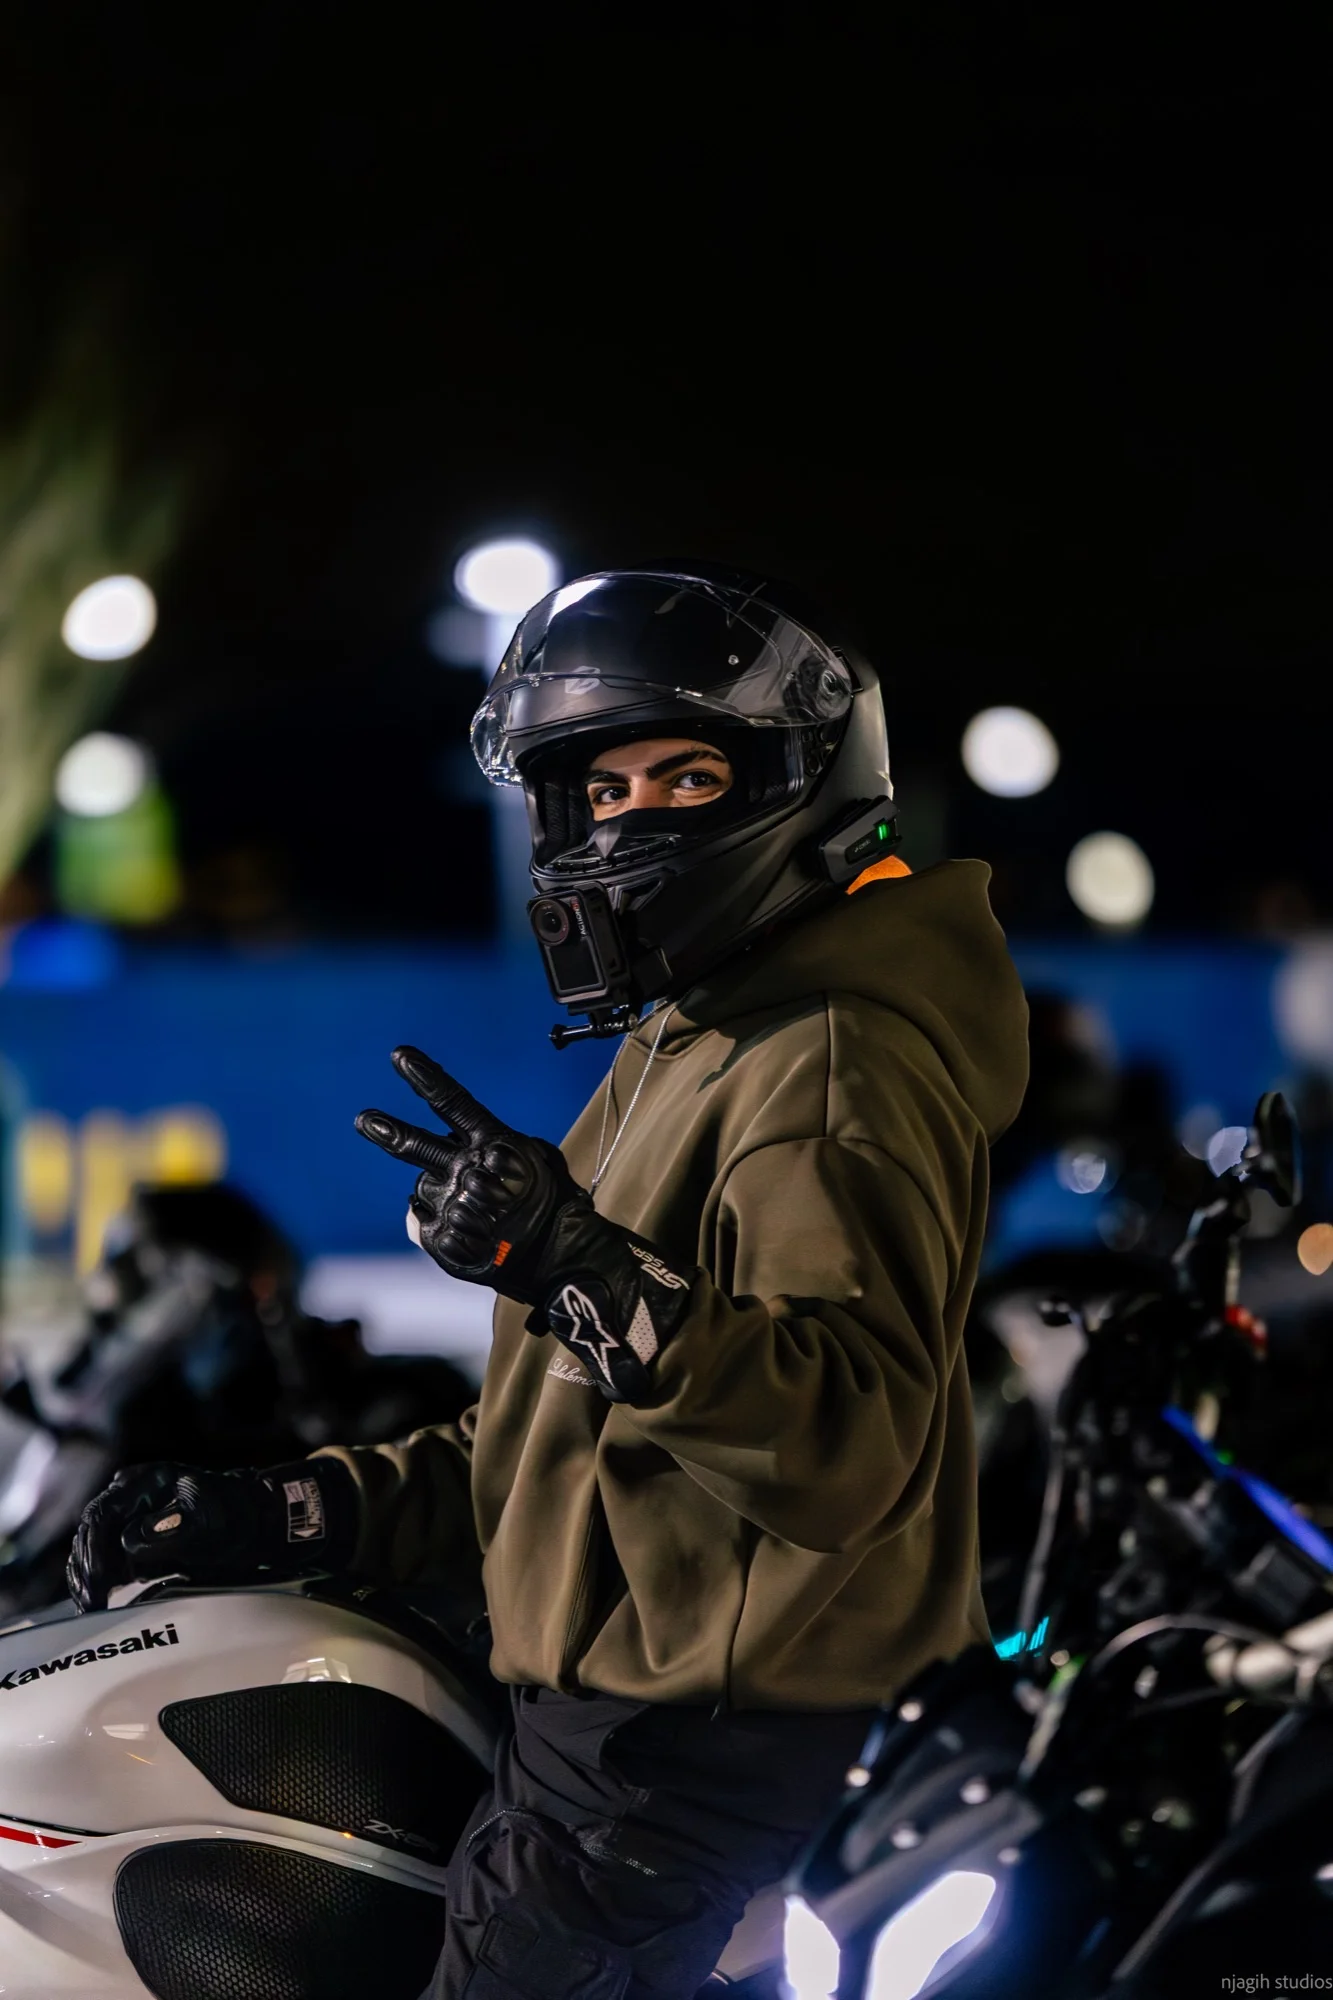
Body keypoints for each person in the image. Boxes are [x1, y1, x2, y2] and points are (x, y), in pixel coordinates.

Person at [67, 566, 1029, 2000]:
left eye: (686, 774)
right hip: (617, 1724)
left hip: (671, 1761)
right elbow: (579, 1430)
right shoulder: (702, 1031)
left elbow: (847, 1444)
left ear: (802, 781)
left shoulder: (826, 1056)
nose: (632, 819)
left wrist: (580, 1265)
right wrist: (296, 1505)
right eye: (602, 786)